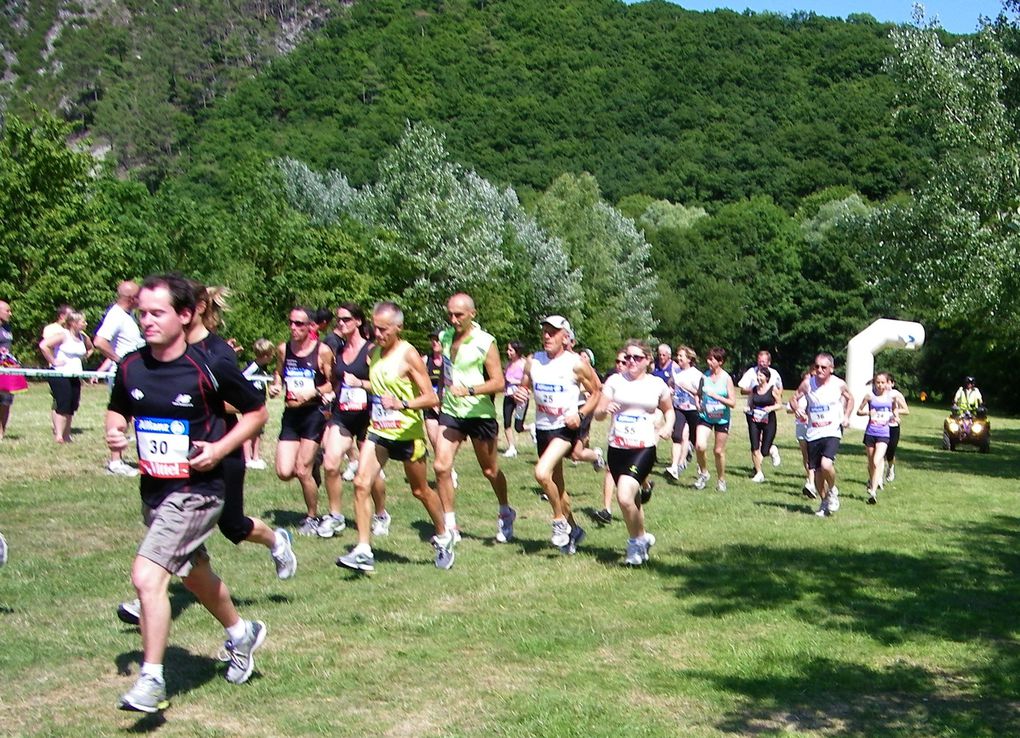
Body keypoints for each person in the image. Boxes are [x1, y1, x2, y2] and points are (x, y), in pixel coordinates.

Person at [106, 274, 269, 713]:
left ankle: (152, 680)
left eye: (157, 313)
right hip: (156, 491)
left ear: (185, 314)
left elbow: (257, 412)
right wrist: (115, 431)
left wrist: (219, 449)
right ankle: (241, 632)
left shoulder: (210, 366)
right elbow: (119, 407)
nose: (147, 321)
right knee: (191, 573)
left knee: (147, 577)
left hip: (198, 491)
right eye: (142, 312)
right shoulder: (131, 365)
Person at [336, 302, 453, 572]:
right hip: (378, 430)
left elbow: (432, 397)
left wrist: (402, 404)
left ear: (398, 327)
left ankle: (444, 535)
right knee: (361, 483)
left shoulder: (408, 354)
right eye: (374, 328)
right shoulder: (374, 353)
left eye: (383, 329)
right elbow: (379, 388)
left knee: (420, 490)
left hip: (407, 434)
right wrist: (360, 384)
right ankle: (364, 549)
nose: (377, 334)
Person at [432, 293, 515, 545]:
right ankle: (450, 525)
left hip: (479, 413)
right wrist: (439, 395)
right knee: (441, 466)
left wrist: (468, 390)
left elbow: (499, 382)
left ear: (472, 314)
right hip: (451, 411)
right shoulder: (444, 337)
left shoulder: (485, 341)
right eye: (450, 314)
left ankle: (505, 510)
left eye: (459, 314)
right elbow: (445, 372)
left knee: (489, 470)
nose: (453, 319)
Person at [514, 315, 601, 554]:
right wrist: (520, 394)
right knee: (558, 489)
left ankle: (558, 521)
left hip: (565, 429)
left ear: (566, 337)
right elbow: (524, 386)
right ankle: (574, 530)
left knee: (541, 473)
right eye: (544, 331)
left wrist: (581, 415)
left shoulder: (576, 364)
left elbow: (596, 393)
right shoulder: (534, 361)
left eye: (552, 332)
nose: (546, 336)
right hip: (543, 428)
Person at [595, 340, 672, 566]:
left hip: (643, 448)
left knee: (624, 496)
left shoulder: (657, 384)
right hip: (617, 448)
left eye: (637, 358)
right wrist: (603, 410)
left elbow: (670, 411)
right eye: (628, 357)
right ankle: (642, 538)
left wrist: (667, 426)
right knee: (633, 501)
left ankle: (634, 543)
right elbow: (599, 413)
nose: (631, 361)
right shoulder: (615, 381)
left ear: (648, 361)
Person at [318, 303, 389, 539]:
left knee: (372, 473)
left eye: (346, 319)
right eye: (339, 320)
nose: (341, 323)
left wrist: (361, 384)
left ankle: (380, 514)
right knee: (330, 462)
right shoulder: (337, 350)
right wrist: (328, 394)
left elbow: (382, 384)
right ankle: (335, 516)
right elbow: (337, 382)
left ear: (358, 321)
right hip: (343, 414)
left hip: (369, 417)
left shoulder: (371, 350)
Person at [269, 307, 334, 536]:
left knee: (301, 469)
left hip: (313, 414)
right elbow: (279, 373)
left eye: (299, 324)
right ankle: (314, 463)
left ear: (310, 327)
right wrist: (276, 385)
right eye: (291, 323)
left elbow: (332, 383)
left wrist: (312, 392)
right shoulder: (283, 349)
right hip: (291, 414)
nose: (293, 328)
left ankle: (312, 517)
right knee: (284, 471)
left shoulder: (322, 351)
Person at [791, 353, 854, 517]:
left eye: (823, 367)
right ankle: (824, 501)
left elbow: (850, 398)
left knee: (826, 464)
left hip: (832, 430)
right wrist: (797, 409)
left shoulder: (838, 384)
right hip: (813, 432)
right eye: (817, 366)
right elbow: (793, 398)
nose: (819, 370)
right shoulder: (807, 384)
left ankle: (832, 490)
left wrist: (846, 416)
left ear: (831, 369)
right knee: (817, 471)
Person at [95, 281, 145, 476]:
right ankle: (115, 462)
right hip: (123, 374)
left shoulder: (128, 316)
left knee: (133, 414)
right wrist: (120, 360)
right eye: (139, 296)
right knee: (120, 415)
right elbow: (100, 341)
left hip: (135, 373)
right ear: (132, 298)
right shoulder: (115, 315)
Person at [38, 310, 94, 443]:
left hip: (75, 374)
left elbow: (91, 348)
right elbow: (43, 345)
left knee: (72, 404)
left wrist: (84, 357)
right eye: (82, 321)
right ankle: (59, 435)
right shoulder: (63, 335)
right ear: (73, 323)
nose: (85, 324)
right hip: (60, 373)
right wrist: (53, 361)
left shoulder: (83, 337)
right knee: (63, 403)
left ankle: (67, 435)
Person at [693, 347, 736, 492]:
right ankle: (704, 473)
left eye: (712, 359)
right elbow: (698, 394)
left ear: (720, 362)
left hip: (722, 419)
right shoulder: (704, 377)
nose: (708, 361)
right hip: (705, 417)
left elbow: (733, 403)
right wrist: (698, 403)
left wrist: (717, 397)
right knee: (699, 446)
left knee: (718, 451)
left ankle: (721, 480)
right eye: (708, 358)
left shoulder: (726, 378)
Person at [856, 372, 899, 504]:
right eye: (878, 382)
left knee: (876, 460)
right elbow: (859, 411)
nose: (880, 385)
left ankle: (873, 492)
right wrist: (868, 413)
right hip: (870, 433)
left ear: (887, 383)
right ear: (874, 383)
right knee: (871, 463)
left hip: (884, 433)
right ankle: (872, 480)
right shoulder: (869, 397)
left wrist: (895, 417)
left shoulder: (891, 398)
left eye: (883, 383)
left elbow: (895, 411)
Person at [738, 350, 783, 467]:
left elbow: (780, 389)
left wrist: (770, 397)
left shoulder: (774, 373)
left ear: (769, 362)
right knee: (755, 443)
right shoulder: (751, 372)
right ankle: (757, 469)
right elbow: (742, 389)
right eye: (759, 361)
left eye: (764, 361)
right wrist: (756, 390)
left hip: (768, 412)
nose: (761, 363)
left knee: (765, 444)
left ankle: (770, 449)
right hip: (753, 410)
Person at [665, 345, 701, 480]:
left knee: (696, 441)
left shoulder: (696, 374)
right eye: (678, 355)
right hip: (679, 408)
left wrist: (688, 388)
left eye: (681, 356)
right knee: (678, 436)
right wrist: (671, 387)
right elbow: (672, 383)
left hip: (693, 410)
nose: (678, 358)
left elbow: (701, 393)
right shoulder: (676, 371)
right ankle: (675, 466)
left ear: (689, 358)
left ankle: (698, 466)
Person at [745, 365, 783, 483]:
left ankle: (772, 449)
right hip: (755, 420)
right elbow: (750, 402)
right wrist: (747, 408)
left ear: (766, 378)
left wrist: (770, 408)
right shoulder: (754, 389)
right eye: (758, 375)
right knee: (754, 447)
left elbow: (779, 404)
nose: (758, 377)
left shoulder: (772, 389)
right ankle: (759, 473)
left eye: (761, 375)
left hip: (768, 421)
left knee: (764, 450)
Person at [241, 338, 275, 470]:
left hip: (261, 403)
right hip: (250, 404)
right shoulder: (253, 367)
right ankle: (247, 458)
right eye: (271, 354)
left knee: (258, 431)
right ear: (265, 355)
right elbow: (242, 378)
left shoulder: (263, 369)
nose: (272, 357)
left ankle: (256, 457)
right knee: (249, 431)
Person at [787, 371, 816, 498]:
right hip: (801, 426)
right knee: (807, 456)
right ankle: (811, 481)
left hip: (816, 428)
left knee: (815, 455)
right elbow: (789, 407)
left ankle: (813, 482)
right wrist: (797, 410)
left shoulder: (817, 394)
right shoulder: (800, 395)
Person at [0, 300, 23, 440]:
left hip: (7, 367)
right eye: (7, 311)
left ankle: (2, 431)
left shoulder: (8, 327)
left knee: (6, 401)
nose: (10, 313)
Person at [502, 340, 528, 458]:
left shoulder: (524, 364)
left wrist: (515, 383)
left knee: (518, 427)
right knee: (506, 422)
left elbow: (528, 381)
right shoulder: (508, 365)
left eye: (510, 350)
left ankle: (530, 428)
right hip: (508, 396)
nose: (508, 352)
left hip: (521, 397)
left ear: (517, 351)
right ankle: (511, 448)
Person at [885, 376, 910, 483]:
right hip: (880, 426)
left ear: (892, 384)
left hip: (893, 426)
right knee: (880, 452)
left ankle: (890, 468)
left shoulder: (896, 394)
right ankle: (876, 478)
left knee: (890, 451)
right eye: (883, 382)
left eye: (887, 382)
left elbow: (906, 410)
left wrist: (894, 412)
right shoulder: (877, 394)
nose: (885, 385)